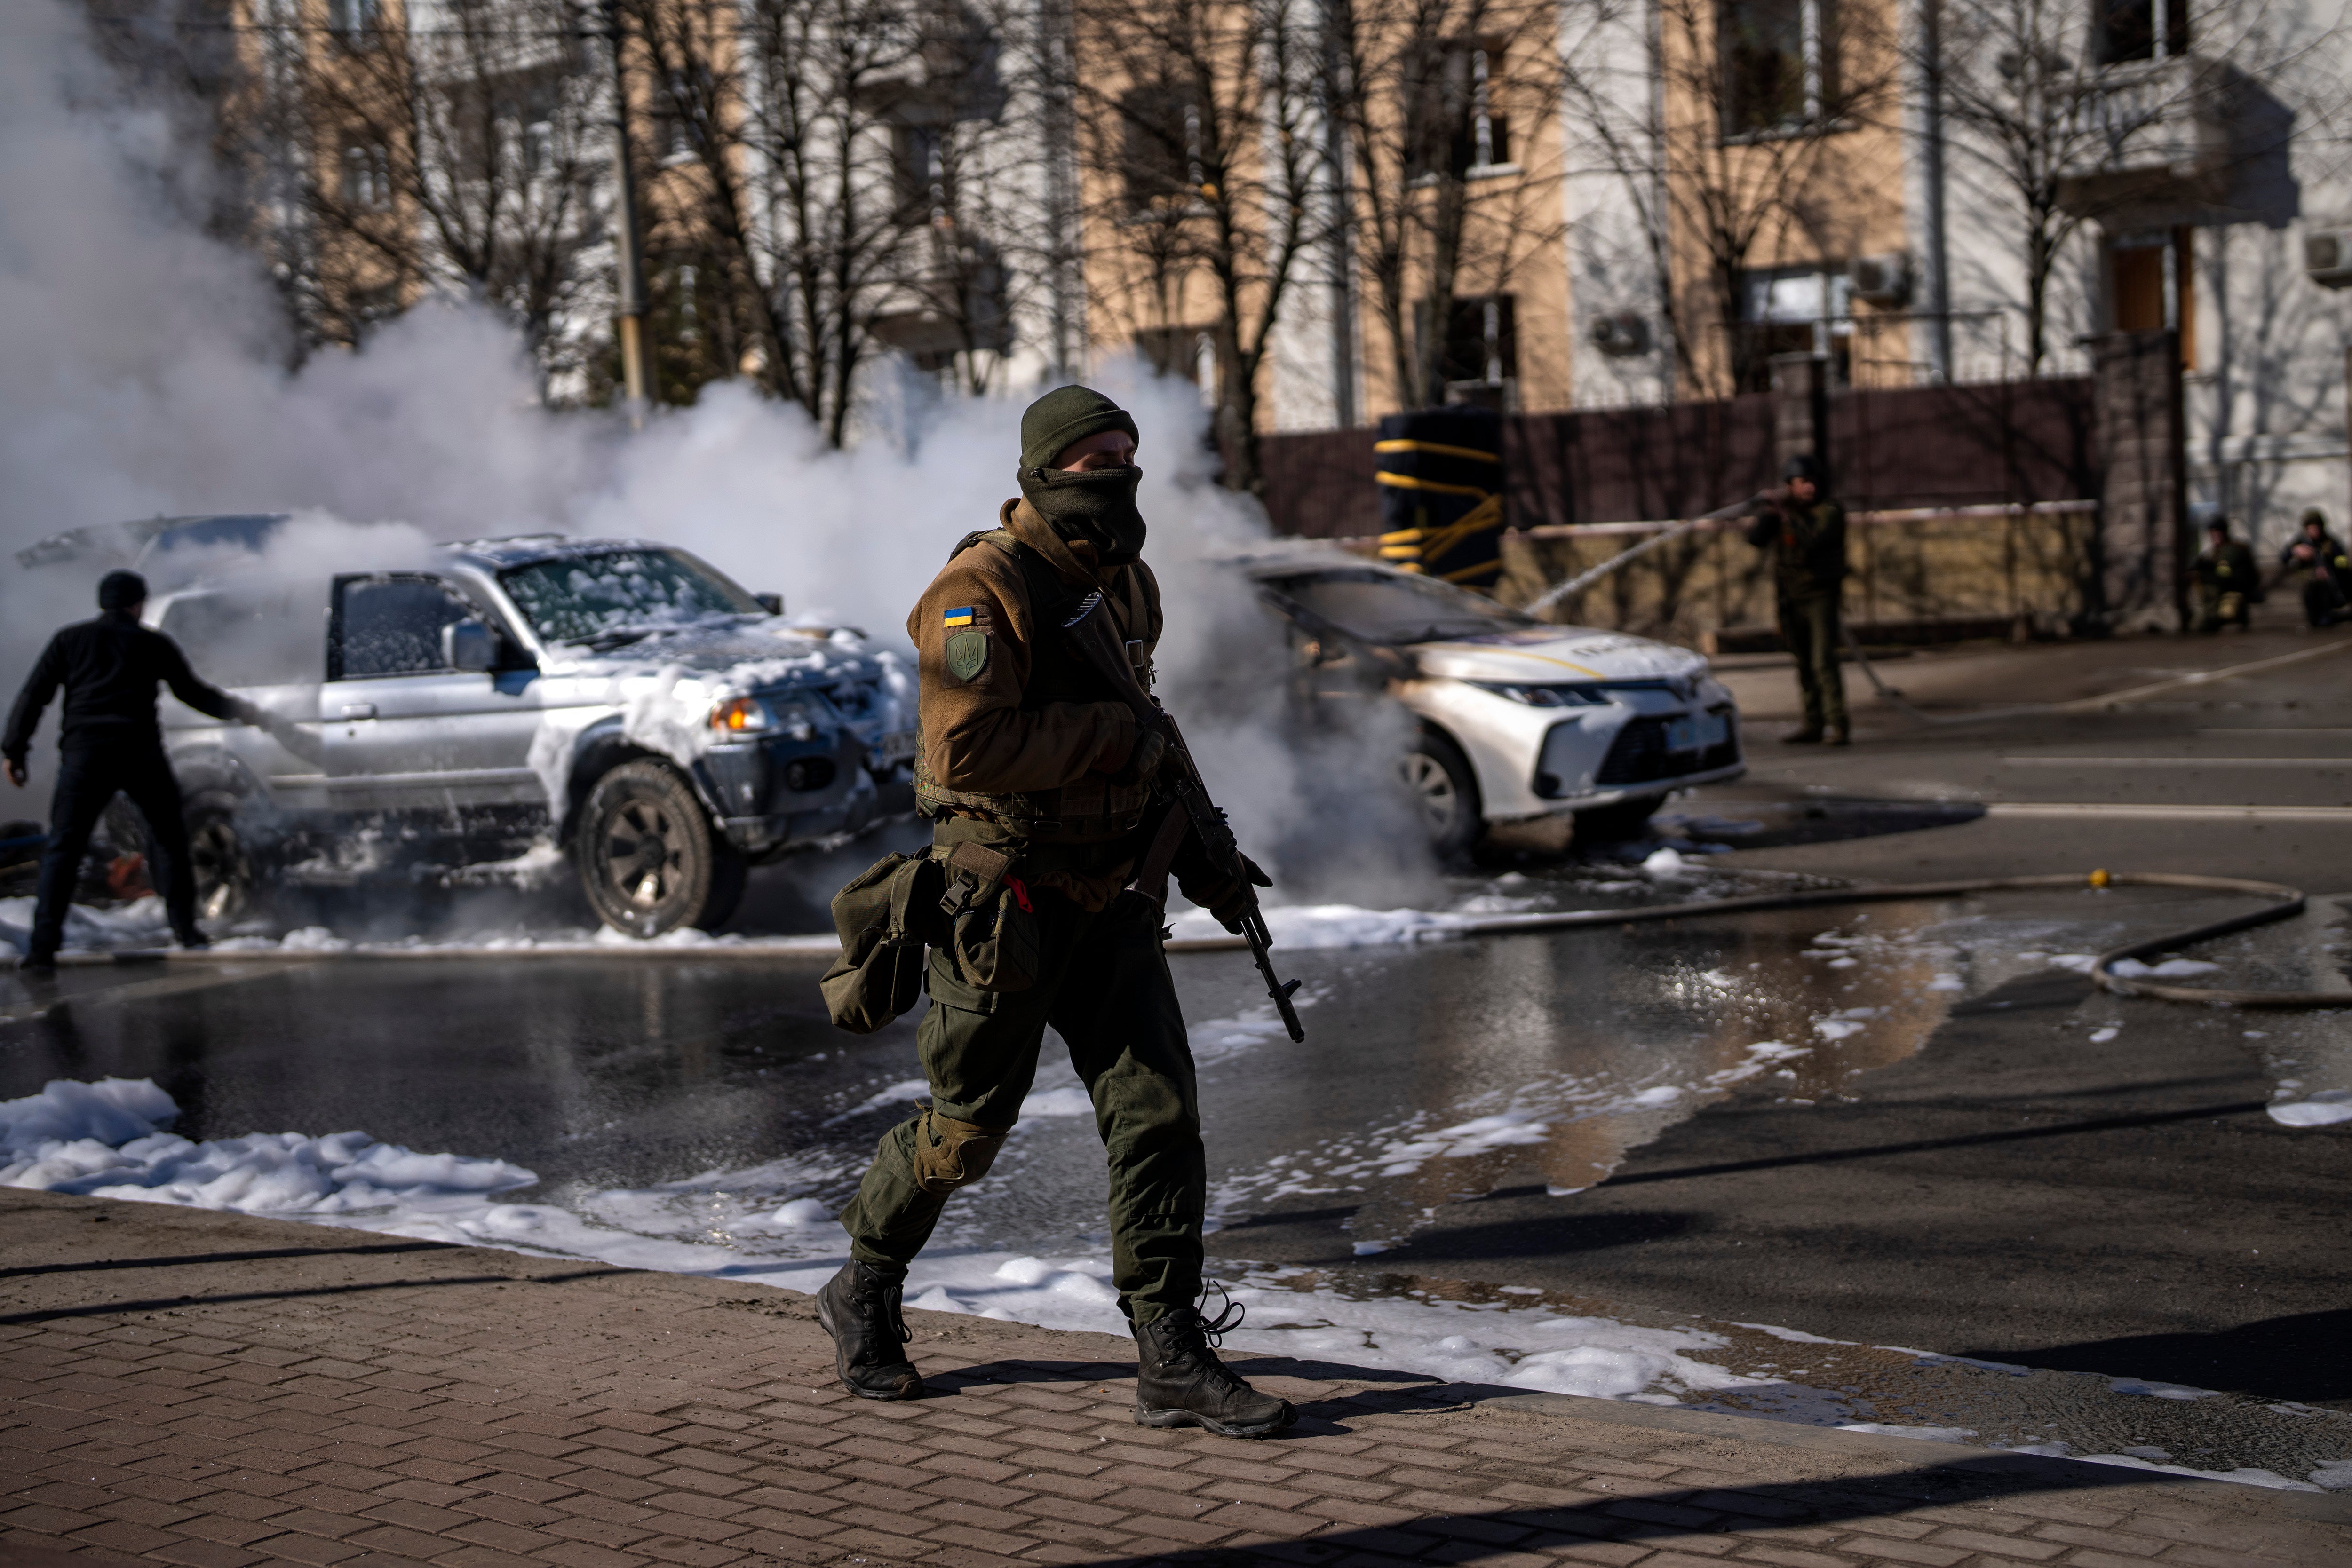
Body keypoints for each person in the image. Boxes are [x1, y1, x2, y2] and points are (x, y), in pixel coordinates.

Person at [817, 385, 1293, 1440]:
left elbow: (1152, 739)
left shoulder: (1127, 587)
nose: (1116, 470)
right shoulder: (978, 590)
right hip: (1009, 899)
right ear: (1041, 470)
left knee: (1158, 1113)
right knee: (967, 1126)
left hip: (1113, 894)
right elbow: (964, 753)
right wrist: (1109, 742)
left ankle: (1168, 1347)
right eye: (1093, 456)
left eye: (1127, 451)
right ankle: (865, 1283)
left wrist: (1208, 862)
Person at [3, 570, 260, 975]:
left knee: (64, 848)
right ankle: (187, 932)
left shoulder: (68, 640)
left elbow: (34, 696)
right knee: (170, 839)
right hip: (140, 754)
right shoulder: (152, 642)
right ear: (138, 604)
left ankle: (41, 950)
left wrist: (14, 750)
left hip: (85, 756)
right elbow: (193, 693)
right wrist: (243, 712)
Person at [1746, 453, 1849, 745]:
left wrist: (1785, 513)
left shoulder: (1830, 512)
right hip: (1790, 598)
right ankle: (1813, 722)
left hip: (1820, 597)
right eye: (1803, 482)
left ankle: (1838, 723)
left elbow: (1813, 540)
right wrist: (1769, 513)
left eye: (1813, 482)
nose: (1809, 488)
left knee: (1823, 661)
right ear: (1790, 485)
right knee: (1803, 662)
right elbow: (1755, 540)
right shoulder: (1785, 515)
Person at [2278, 508, 2350, 628]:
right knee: (2314, 618)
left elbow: (2343, 562)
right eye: (2311, 528)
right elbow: (2284, 558)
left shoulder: (2331, 543)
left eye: (2317, 528)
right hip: (2309, 585)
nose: (2314, 531)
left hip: (2329, 585)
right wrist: (2296, 551)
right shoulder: (2301, 541)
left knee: (2327, 612)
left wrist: (2330, 565)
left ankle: (2330, 616)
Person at [2192, 519, 2259, 633]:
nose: (2215, 536)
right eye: (2213, 533)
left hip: (2232, 592)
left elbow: (2233, 573)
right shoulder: (2212, 552)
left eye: (2218, 533)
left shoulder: (2234, 550)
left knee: (2225, 613)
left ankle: (2229, 616)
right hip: (2215, 593)